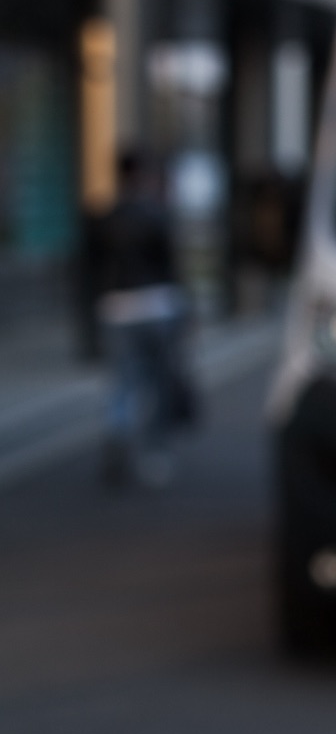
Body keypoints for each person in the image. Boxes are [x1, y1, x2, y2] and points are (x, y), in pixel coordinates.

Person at [91, 151, 195, 487]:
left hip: (117, 308)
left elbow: (91, 269)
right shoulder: (156, 215)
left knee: (124, 382)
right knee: (158, 383)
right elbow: (171, 266)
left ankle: (118, 432)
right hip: (157, 306)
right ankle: (155, 454)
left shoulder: (105, 218)